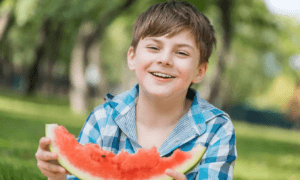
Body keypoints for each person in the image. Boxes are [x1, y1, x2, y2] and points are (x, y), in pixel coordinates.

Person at [35, 1, 237, 179]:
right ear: (132, 57)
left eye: (182, 52)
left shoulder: (217, 129)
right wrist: (58, 176)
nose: (164, 59)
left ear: (199, 71)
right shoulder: (102, 120)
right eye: (154, 48)